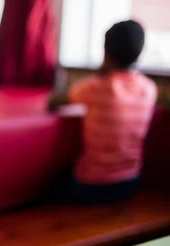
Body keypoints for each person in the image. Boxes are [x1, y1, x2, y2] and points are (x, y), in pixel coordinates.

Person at [48, 20, 158, 203]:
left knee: (50, 191)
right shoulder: (149, 89)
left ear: (106, 53)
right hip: (131, 180)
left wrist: (101, 72)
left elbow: (53, 102)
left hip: (92, 184)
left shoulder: (97, 87)